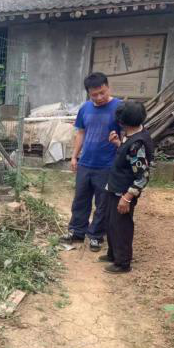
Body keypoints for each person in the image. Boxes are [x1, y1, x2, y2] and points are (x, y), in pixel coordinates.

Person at [62, 72, 121, 250]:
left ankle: (96, 235)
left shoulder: (120, 107)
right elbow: (81, 133)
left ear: (108, 87)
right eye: (94, 95)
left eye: (102, 92)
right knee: (80, 199)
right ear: (88, 93)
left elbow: (127, 133)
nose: (99, 97)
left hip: (107, 165)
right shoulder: (85, 108)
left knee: (103, 202)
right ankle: (77, 231)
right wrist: (74, 156)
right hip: (85, 163)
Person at [99, 102, 154, 273]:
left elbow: (143, 176)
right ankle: (113, 254)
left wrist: (127, 198)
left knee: (121, 227)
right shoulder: (132, 135)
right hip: (114, 186)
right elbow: (129, 157)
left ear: (123, 122)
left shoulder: (138, 144)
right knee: (111, 223)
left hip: (123, 192)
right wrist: (118, 143)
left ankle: (122, 263)